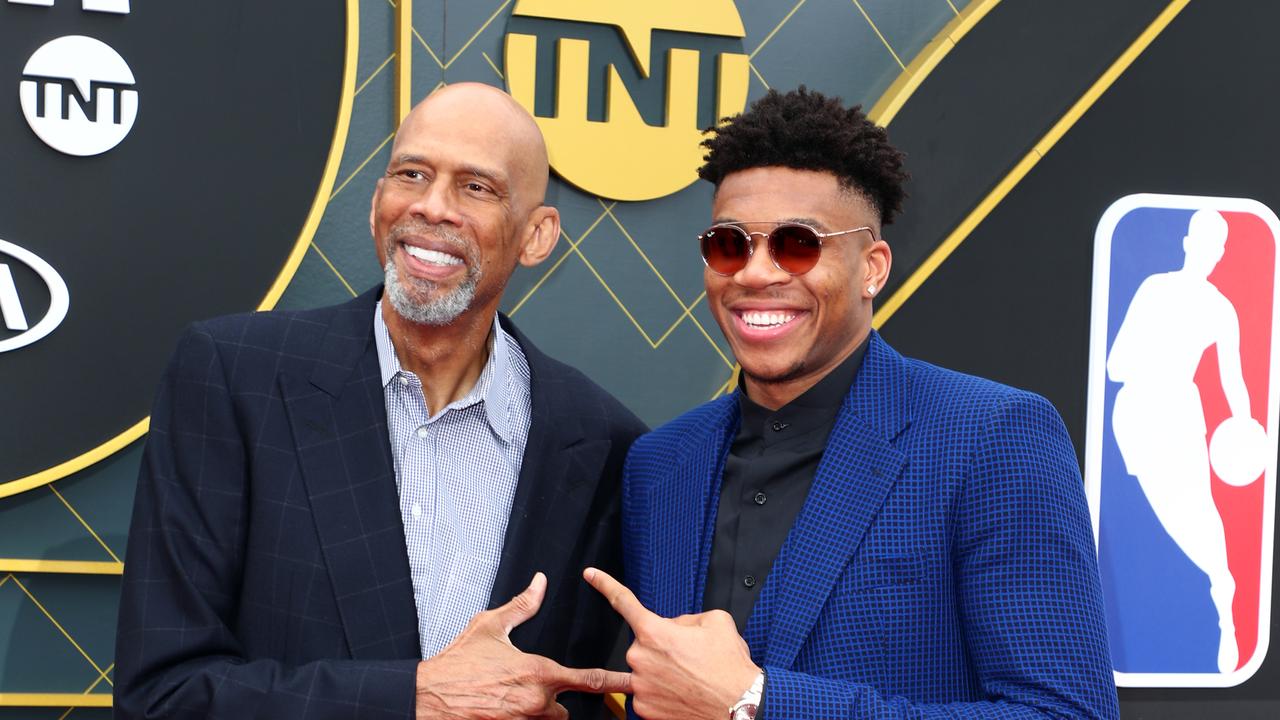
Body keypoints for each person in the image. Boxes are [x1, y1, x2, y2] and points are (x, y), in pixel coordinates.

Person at [584, 87, 1119, 719]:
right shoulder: (661, 463)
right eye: (730, 244)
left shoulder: (989, 437)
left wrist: (759, 703)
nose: (755, 274)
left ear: (871, 267)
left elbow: (1066, 714)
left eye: (797, 244)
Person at [115, 83, 645, 720]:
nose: (432, 206)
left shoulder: (603, 441)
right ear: (376, 205)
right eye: (411, 174)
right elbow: (160, 696)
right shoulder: (235, 379)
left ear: (536, 236)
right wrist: (411, 697)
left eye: (476, 187)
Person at [1107, 208, 1259, 673]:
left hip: (1180, 416)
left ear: (1220, 253)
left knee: (1199, 513)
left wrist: (1246, 425)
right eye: (1205, 240)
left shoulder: (1220, 309)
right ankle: (1210, 590)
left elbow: (1234, 380)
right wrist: (1153, 361)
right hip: (1135, 417)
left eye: (1220, 245)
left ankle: (1224, 598)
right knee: (1157, 517)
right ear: (1190, 242)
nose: (1211, 252)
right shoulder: (1154, 288)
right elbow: (1116, 366)